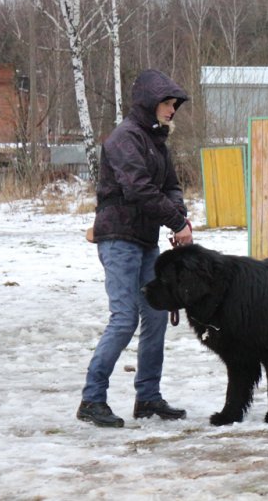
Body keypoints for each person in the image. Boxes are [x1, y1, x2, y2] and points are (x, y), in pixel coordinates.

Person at [77, 69, 192, 427]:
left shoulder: (157, 143)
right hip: (118, 239)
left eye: (174, 105)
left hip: (145, 241)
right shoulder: (124, 139)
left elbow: (171, 186)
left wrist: (180, 219)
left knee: (156, 315)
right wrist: (176, 222)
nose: (172, 110)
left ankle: (148, 398)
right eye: (167, 103)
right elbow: (138, 188)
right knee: (125, 318)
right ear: (149, 103)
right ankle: (92, 400)